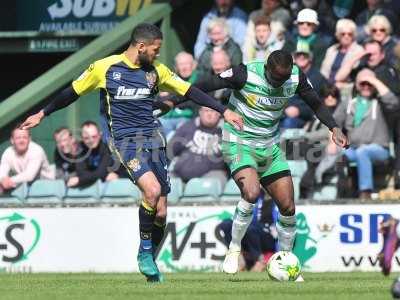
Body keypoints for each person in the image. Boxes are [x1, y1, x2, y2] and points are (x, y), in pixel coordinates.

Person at [19, 23, 243, 282]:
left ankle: (151, 261)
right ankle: (145, 253)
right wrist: (43, 113)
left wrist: (223, 110)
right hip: (124, 140)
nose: (158, 54)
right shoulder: (105, 68)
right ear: (141, 46)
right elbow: (72, 92)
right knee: (152, 190)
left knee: (160, 212)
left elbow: (190, 91)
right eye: (155, 49)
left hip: (154, 138)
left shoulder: (156, 71)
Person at [192, 49, 349, 275]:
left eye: (282, 80)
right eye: (275, 78)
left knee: (288, 206)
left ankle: (286, 261)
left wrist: (333, 127)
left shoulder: (295, 76)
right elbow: (203, 85)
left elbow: (315, 103)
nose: (279, 83)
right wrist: (173, 99)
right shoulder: (244, 74)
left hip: (269, 145)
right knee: (252, 193)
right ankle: (234, 247)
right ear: (266, 69)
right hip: (239, 142)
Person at [333, 68, 398, 199]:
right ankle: (342, 191)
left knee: (363, 151)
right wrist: (332, 141)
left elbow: (393, 102)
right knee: (337, 153)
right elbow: (333, 122)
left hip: (380, 149)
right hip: (354, 148)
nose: (366, 87)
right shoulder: (349, 103)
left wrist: (372, 79)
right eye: (363, 84)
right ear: (357, 85)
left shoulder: (380, 102)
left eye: (369, 84)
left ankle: (365, 192)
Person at [217, 192, 276, 272]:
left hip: (268, 236)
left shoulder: (278, 201)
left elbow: (279, 229)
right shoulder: (255, 198)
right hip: (251, 233)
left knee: (249, 227)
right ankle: (238, 257)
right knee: (226, 224)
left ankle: (259, 260)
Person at [169, 106, 227, 186]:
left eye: (213, 111)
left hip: (212, 176)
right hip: (179, 175)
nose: (209, 114)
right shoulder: (187, 127)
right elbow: (170, 151)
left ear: (219, 114)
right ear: (200, 112)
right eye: (206, 111)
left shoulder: (225, 132)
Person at [281, 44, 327, 129]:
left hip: (304, 118)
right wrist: (285, 109)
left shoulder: (318, 78)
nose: (301, 57)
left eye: (305, 54)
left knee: (288, 123)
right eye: (298, 54)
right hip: (284, 113)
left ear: (310, 57)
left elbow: (320, 103)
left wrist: (300, 111)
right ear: (294, 58)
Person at [0, 127, 54, 194]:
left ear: (29, 139)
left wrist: (9, 181)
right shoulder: (8, 152)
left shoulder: (36, 150)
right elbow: (2, 172)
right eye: (18, 138)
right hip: (27, 187)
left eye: (24, 137)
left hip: (49, 188)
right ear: (12, 140)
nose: (21, 140)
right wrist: (2, 180)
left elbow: (29, 175)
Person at [66, 121, 119, 188]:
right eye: (86, 138)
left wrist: (80, 179)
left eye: (94, 136)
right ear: (82, 138)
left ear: (100, 135)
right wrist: (102, 175)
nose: (91, 140)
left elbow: (101, 172)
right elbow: (81, 173)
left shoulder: (107, 148)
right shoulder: (80, 149)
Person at [159, 52, 198, 136]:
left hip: (188, 118)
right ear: (176, 67)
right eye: (181, 64)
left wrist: (172, 97)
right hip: (167, 118)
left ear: (194, 65)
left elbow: (193, 102)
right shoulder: (172, 79)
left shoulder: (199, 79)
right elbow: (161, 99)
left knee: (181, 129)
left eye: (187, 64)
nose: (184, 67)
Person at [320, 19, 363, 86]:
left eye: (350, 34)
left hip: (345, 86)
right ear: (338, 35)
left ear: (353, 35)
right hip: (327, 85)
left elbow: (353, 73)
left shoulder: (359, 50)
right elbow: (324, 71)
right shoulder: (331, 50)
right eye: (343, 34)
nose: (346, 36)